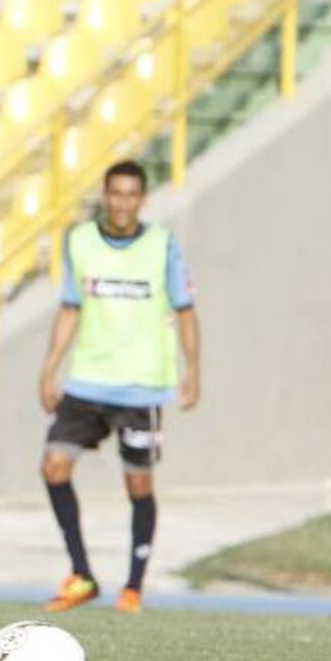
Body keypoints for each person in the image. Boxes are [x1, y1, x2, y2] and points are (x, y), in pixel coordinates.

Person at [37, 159, 200, 614]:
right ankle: (82, 575)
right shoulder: (81, 241)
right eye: (116, 193)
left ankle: (133, 586)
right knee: (53, 466)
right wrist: (49, 369)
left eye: (132, 194)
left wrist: (193, 371)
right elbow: (70, 307)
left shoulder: (162, 245)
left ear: (142, 199)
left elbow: (185, 310)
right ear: (105, 196)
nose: (123, 202)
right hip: (88, 379)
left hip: (142, 385)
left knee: (139, 483)